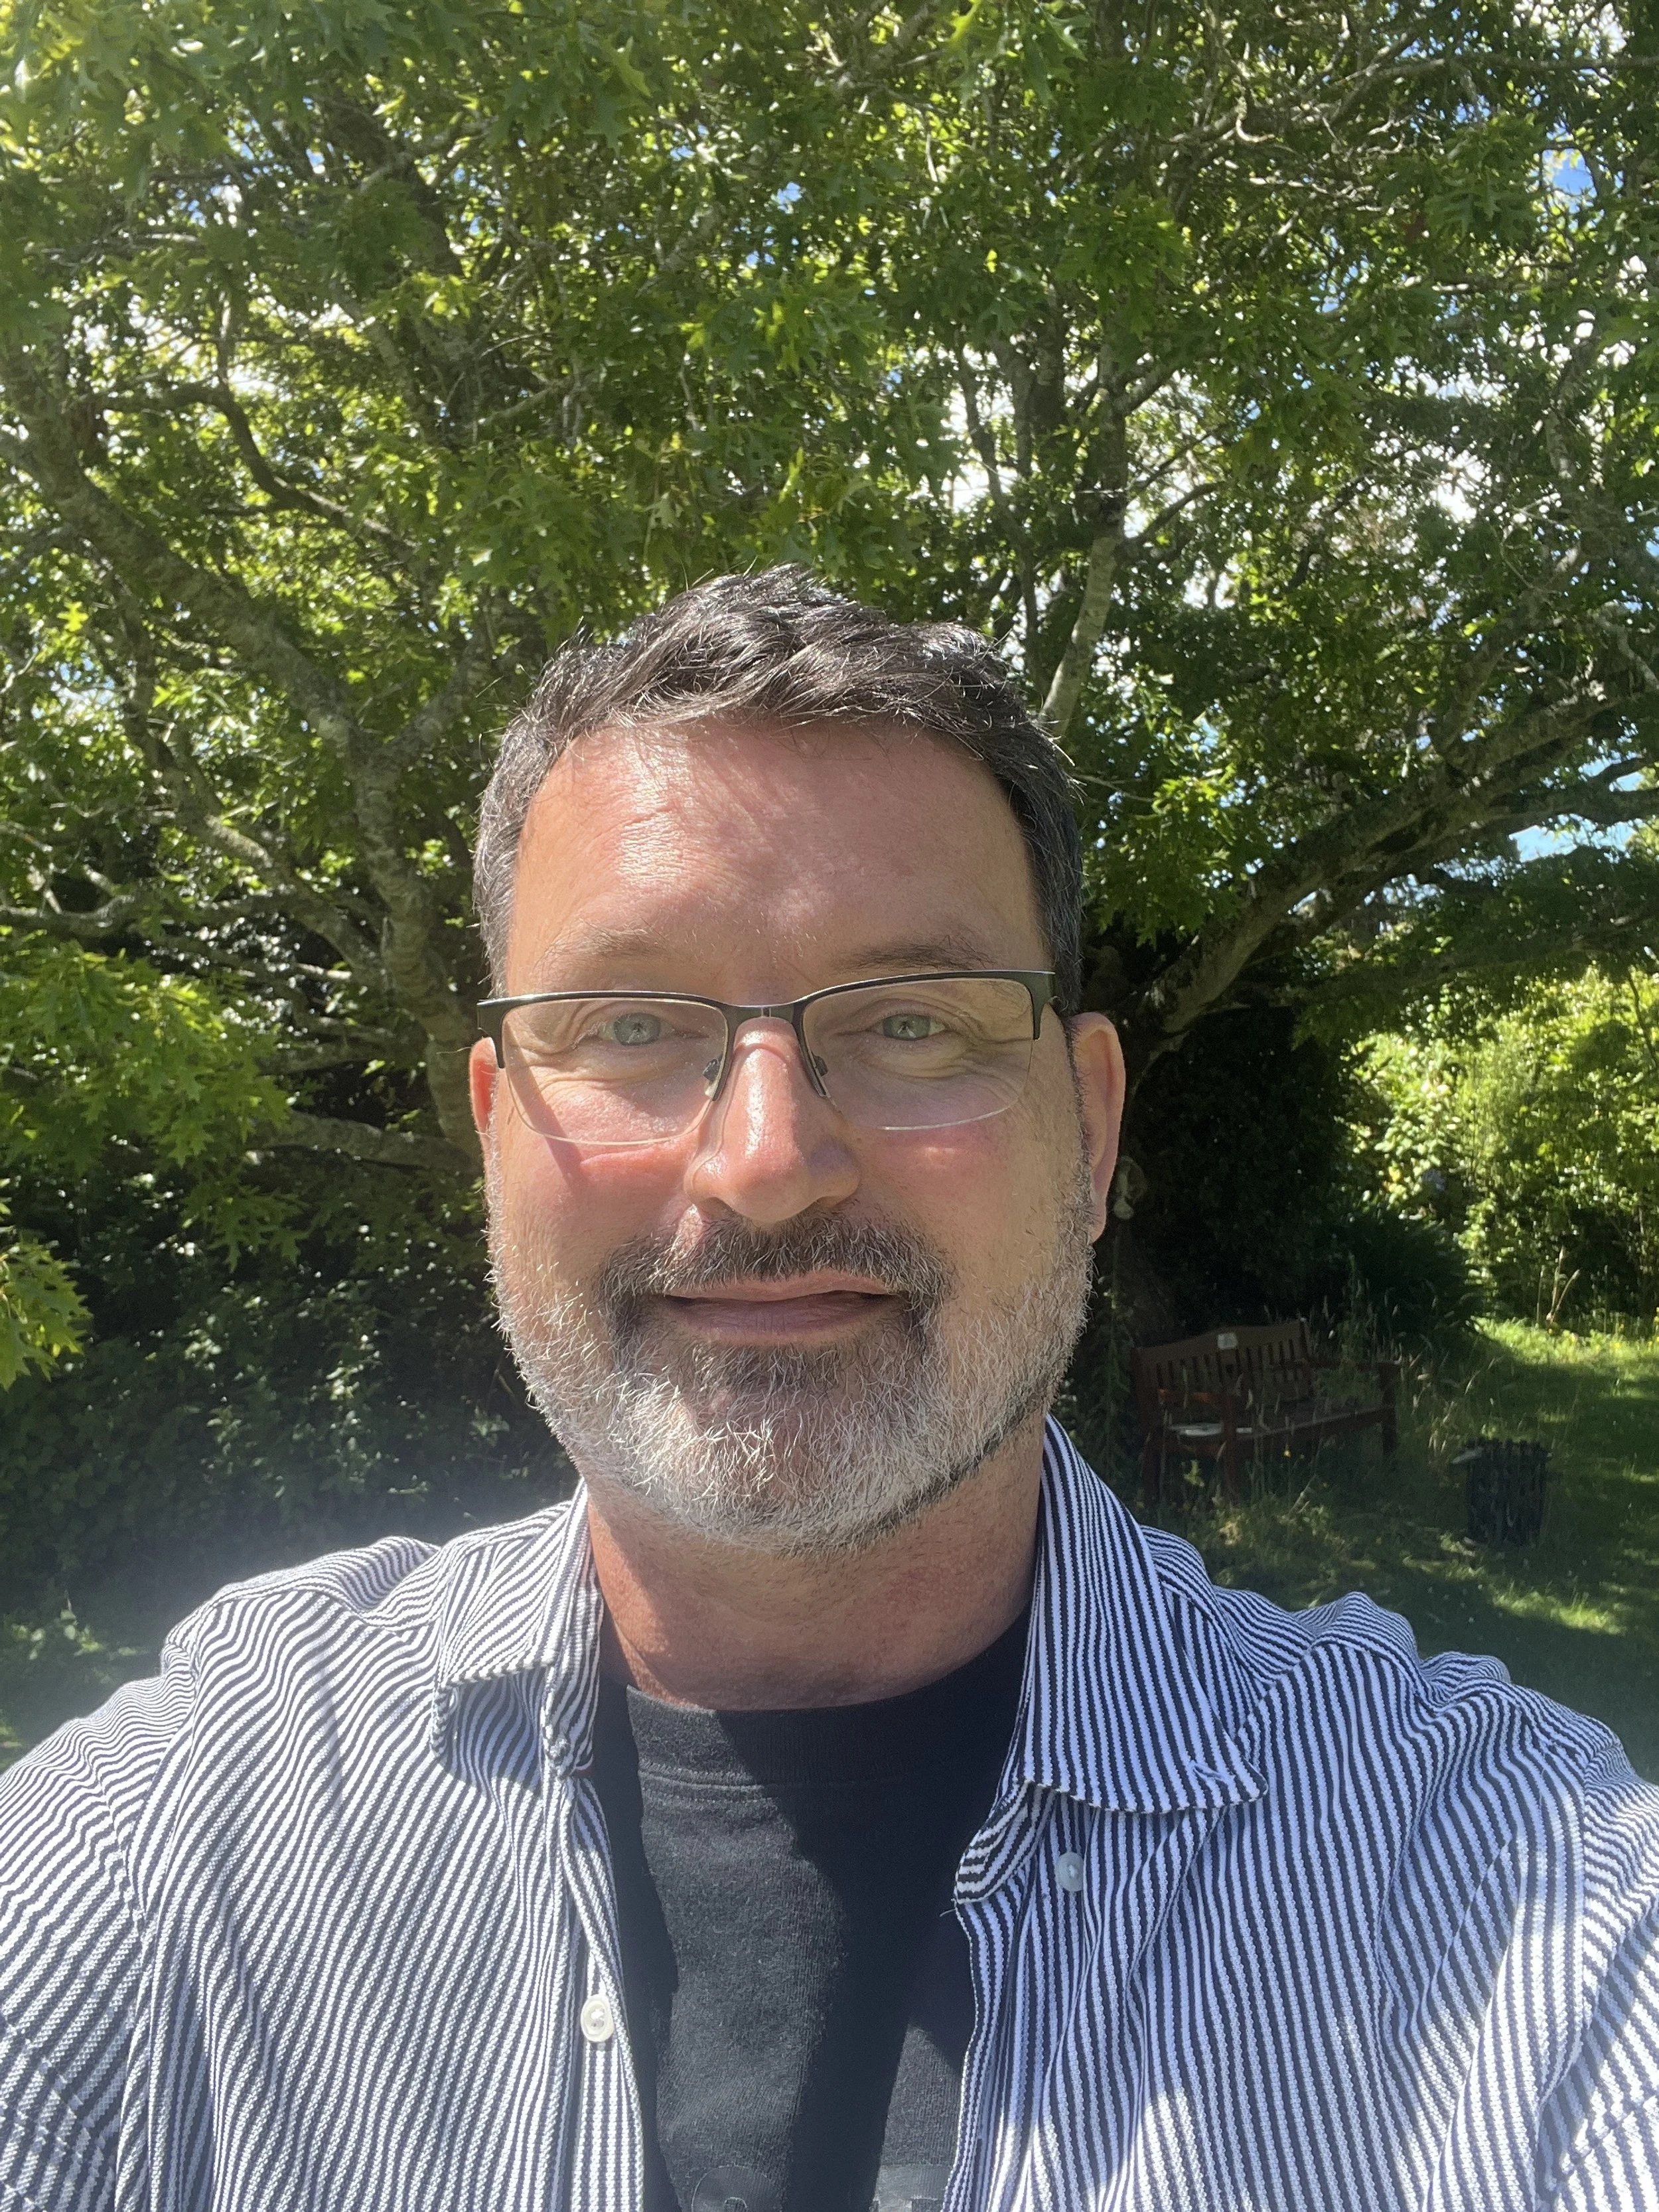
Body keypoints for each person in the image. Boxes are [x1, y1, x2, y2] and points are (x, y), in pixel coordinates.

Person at [1, 568, 1656, 2212]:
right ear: (498, 1129)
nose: (768, 1161)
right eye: (633, 1021)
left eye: (915, 1023)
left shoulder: (1502, 1881)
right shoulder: (186, 1828)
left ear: (1085, 1132)